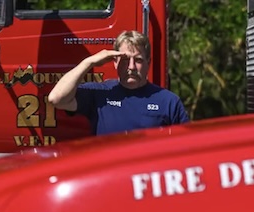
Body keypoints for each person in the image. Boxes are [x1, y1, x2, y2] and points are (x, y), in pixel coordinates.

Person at [48, 30, 190, 136]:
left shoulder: (168, 101)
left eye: (138, 60)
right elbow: (56, 98)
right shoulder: (100, 94)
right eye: (125, 60)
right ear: (115, 62)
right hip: (110, 175)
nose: (132, 67)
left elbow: (186, 147)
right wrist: (89, 62)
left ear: (149, 63)